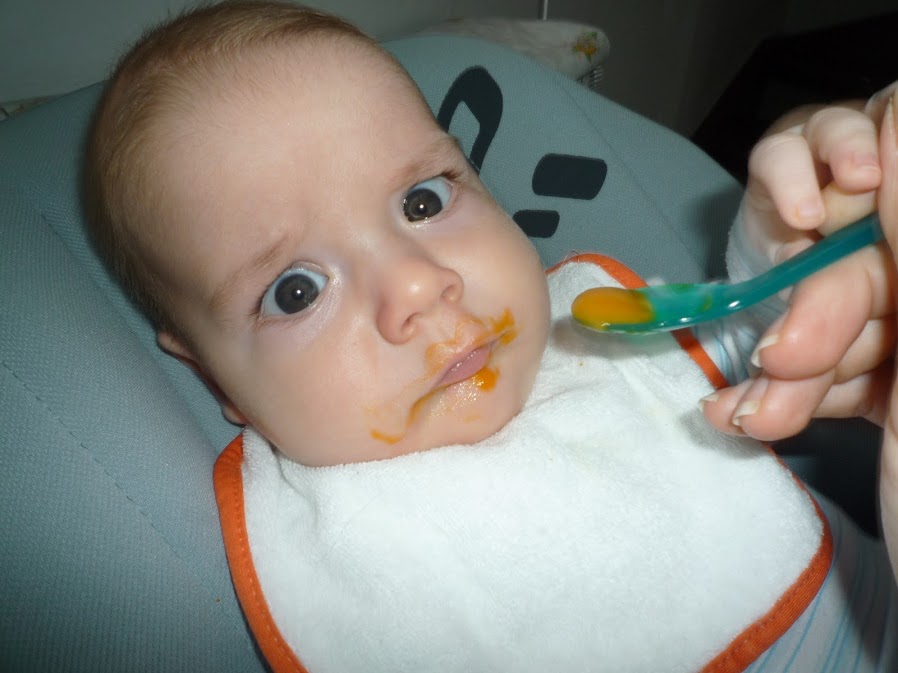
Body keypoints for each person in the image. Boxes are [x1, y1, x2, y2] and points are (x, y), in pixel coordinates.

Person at [84, 2, 898, 671]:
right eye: (296, 290)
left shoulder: (590, 332)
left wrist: (792, 247)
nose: (417, 284)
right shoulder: (344, 553)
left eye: (424, 201)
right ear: (216, 379)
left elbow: (766, 339)